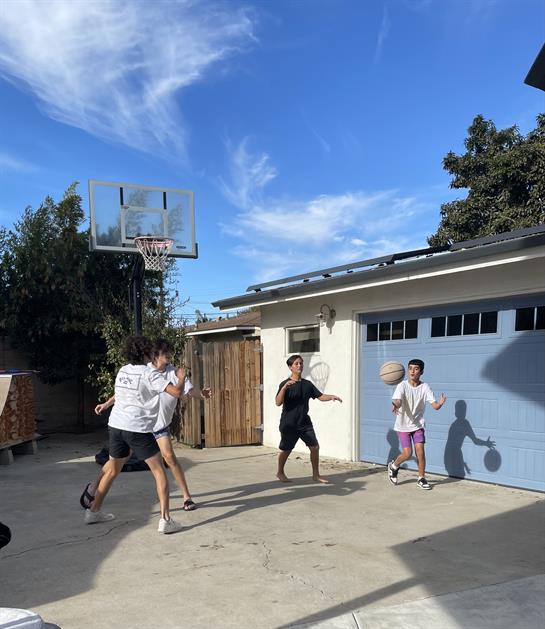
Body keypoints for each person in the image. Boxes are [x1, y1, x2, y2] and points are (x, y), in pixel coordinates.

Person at [88, 339, 211, 512]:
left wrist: (202, 394)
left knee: (167, 457)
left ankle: (186, 497)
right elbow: (128, 392)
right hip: (140, 426)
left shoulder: (171, 372)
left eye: (169, 353)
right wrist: (107, 404)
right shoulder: (148, 372)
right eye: (165, 353)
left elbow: (189, 391)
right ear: (154, 355)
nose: (168, 356)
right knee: (130, 465)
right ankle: (94, 487)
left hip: (154, 425)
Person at [81, 335, 188, 534]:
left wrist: (105, 404)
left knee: (112, 469)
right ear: (146, 352)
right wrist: (181, 379)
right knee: (159, 471)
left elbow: (120, 395)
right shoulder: (150, 374)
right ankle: (165, 520)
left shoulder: (123, 370)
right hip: (137, 428)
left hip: (116, 426)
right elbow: (176, 393)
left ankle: (93, 511)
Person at [275, 354, 342, 484]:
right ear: (290, 367)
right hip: (289, 424)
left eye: (301, 363)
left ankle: (316, 475)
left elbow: (320, 396)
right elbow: (278, 402)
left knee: (315, 447)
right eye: (296, 364)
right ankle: (280, 472)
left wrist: (332, 396)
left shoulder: (307, 384)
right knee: (286, 449)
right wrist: (284, 388)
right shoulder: (285, 384)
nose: (299, 365)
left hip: (304, 423)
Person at [387, 358, 446, 490]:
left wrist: (440, 403)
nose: (412, 371)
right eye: (410, 368)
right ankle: (394, 466)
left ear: (421, 372)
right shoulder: (402, 385)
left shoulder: (425, 387)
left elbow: (435, 406)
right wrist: (394, 405)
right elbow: (398, 401)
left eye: (416, 369)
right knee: (407, 453)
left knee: (420, 452)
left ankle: (421, 478)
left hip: (418, 425)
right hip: (403, 425)